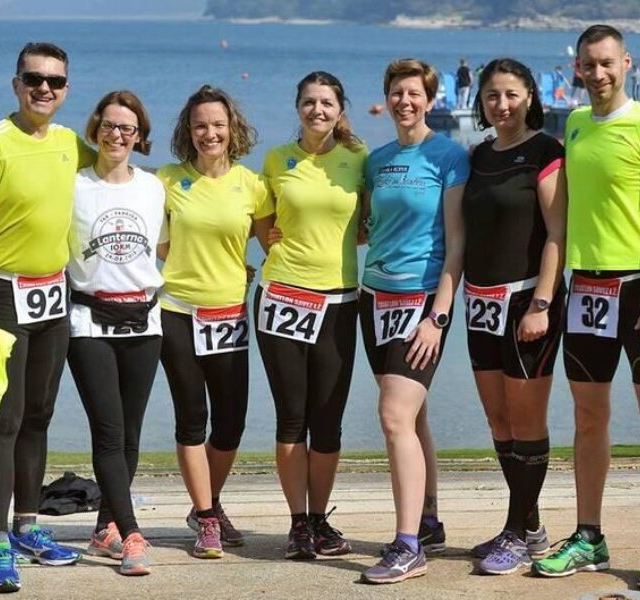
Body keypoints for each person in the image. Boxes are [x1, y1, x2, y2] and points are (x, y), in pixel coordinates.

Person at [532, 25, 640, 592]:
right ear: (576, 68)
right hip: (586, 290)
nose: (597, 73)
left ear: (626, 63)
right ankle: (589, 537)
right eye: (588, 64)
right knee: (588, 417)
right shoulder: (575, 124)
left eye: (607, 63)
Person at [0, 42, 94, 593]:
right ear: (16, 84)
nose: (44, 89)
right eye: (34, 79)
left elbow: (117, 167)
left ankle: (28, 527)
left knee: (39, 415)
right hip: (2, 296)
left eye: (55, 81)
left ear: (66, 89)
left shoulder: (68, 143)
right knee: (4, 420)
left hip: (54, 297)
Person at [359, 58, 469, 584]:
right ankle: (427, 522)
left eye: (414, 93)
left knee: (393, 417)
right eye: (397, 93)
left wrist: (438, 317)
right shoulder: (376, 161)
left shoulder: (449, 156)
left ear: (430, 99)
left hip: (422, 302)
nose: (405, 102)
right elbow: (367, 227)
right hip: (373, 300)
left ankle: (407, 547)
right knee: (413, 416)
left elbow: (457, 244)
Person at [156, 85, 273, 560]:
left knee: (230, 423)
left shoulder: (252, 184)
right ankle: (207, 516)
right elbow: (152, 240)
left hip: (228, 315)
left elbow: (277, 244)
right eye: (200, 125)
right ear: (188, 131)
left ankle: (207, 502)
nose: (210, 133)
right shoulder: (166, 180)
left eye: (218, 125)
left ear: (233, 128)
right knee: (191, 419)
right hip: (177, 312)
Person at [463, 58, 567, 575]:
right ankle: (528, 527)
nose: (501, 104)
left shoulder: (547, 151)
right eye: (491, 96)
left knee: (526, 421)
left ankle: (518, 532)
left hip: (528, 303)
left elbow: (557, 234)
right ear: (480, 103)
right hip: (479, 304)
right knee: (499, 419)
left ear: (529, 97)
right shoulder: (478, 155)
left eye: (511, 94)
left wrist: (542, 303)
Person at [257, 71, 366, 560]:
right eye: (308, 102)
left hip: (339, 302)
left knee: (328, 422)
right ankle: (298, 523)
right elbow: (262, 221)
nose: (317, 110)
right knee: (291, 418)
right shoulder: (277, 159)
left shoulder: (359, 159)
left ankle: (320, 518)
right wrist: (275, 248)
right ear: (297, 107)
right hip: (282, 298)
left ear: (340, 110)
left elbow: (369, 222)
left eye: (326, 103)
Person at [66, 90, 166, 576]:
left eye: (127, 128)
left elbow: (170, 246)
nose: (117, 135)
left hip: (145, 320)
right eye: (109, 125)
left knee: (130, 436)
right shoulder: (74, 185)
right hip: (89, 322)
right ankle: (131, 535)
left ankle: (104, 526)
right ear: (95, 128)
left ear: (139, 136)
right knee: (108, 432)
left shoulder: (154, 187)